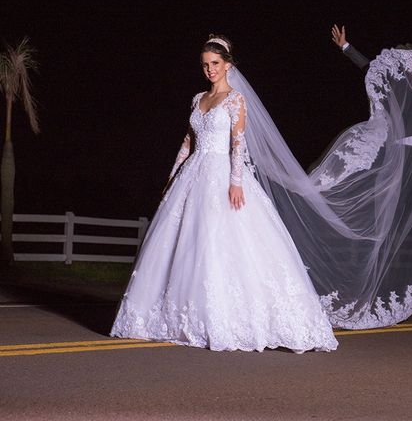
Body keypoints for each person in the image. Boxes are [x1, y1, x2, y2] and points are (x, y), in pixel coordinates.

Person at [110, 35, 338, 353]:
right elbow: (188, 143)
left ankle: (233, 318)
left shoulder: (235, 100)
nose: (210, 70)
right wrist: (172, 176)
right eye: (205, 65)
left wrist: (235, 181)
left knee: (221, 241)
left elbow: (238, 143)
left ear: (227, 64)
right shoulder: (197, 99)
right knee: (187, 242)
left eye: (215, 64)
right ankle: (180, 316)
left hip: (221, 173)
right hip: (193, 174)